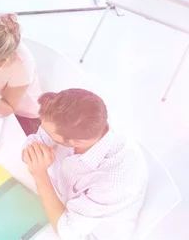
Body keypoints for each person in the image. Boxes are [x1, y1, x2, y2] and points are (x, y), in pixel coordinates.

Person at [22, 89, 147, 240]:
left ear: (76, 143)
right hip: (59, 199)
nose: (43, 133)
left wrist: (39, 174)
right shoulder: (74, 123)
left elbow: (67, 231)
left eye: (52, 136)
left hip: (86, 231)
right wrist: (32, 154)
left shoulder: (115, 181)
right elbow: (35, 141)